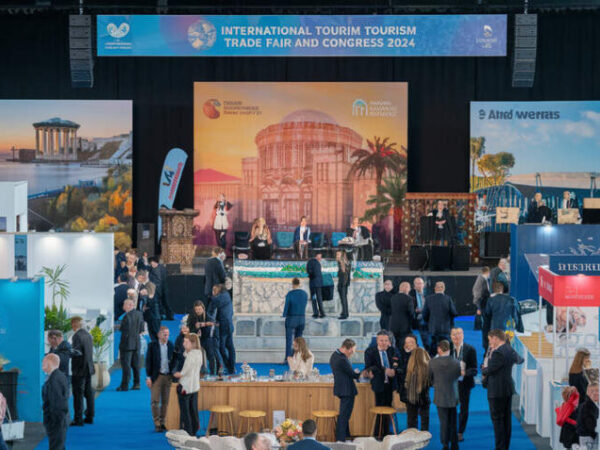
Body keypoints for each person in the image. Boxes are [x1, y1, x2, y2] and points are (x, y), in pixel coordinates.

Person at [482, 329, 525, 450]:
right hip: (507, 389)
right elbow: (520, 360)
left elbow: (490, 369)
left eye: (490, 340)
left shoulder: (498, 353)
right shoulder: (509, 349)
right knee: (506, 420)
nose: (489, 343)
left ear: (495, 338)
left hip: (496, 391)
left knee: (497, 421)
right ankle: (505, 446)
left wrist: (484, 369)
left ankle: (500, 447)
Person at [330, 339, 368, 442]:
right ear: (349, 349)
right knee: (344, 417)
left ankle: (346, 437)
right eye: (353, 351)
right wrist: (363, 374)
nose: (352, 353)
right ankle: (340, 440)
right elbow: (353, 374)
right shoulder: (342, 359)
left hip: (342, 389)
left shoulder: (334, 355)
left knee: (345, 416)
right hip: (346, 391)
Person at [364, 330, 400, 439]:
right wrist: (384, 369)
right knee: (379, 409)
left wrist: (394, 370)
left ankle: (386, 432)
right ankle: (378, 433)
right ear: (377, 341)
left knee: (388, 408)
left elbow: (398, 363)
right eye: (381, 340)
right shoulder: (370, 352)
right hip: (378, 385)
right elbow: (369, 366)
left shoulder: (393, 350)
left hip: (390, 385)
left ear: (389, 341)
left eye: (385, 340)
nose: (384, 343)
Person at [429, 340, 461, 450]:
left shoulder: (432, 362)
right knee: (453, 422)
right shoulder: (456, 362)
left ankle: (445, 444)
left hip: (440, 396)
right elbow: (458, 376)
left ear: (439, 349)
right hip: (453, 396)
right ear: (449, 349)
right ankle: (455, 444)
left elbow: (429, 378)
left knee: (443, 422)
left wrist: (435, 384)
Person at [450, 327, 478, 441]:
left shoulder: (470, 349)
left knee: (463, 408)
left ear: (463, 335)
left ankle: (460, 432)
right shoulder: (447, 349)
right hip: (450, 384)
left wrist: (464, 373)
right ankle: (451, 429)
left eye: (459, 334)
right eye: (454, 334)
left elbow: (474, 370)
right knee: (450, 408)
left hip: (464, 383)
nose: (456, 336)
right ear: (451, 336)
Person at [173, 333, 203, 437]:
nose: (183, 344)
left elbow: (183, 372)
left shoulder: (190, 356)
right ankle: (194, 430)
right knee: (193, 410)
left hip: (185, 387)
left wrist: (175, 374)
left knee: (185, 412)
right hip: (194, 387)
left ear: (193, 343)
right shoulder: (199, 353)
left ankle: (188, 432)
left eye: (186, 342)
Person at [145, 326, 174, 432]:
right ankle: (156, 423)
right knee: (155, 401)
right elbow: (148, 362)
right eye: (164, 333)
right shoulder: (152, 346)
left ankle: (162, 422)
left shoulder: (171, 345)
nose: (166, 336)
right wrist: (148, 377)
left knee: (165, 402)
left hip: (168, 377)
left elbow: (174, 361)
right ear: (159, 335)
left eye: (167, 334)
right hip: (156, 377)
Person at [422, 282, 457, 357]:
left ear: (435, 288)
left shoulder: (428, 299)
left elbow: (424, 314)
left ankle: (433, 362)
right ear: (444, 288)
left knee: (433, 349)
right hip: (445, 329)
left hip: (433, 328)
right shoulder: (448, 299)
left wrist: (430, 321)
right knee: (446, 348)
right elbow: (454, 313)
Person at [70, 316, 95, 426]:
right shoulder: (88, 335)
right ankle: (90, 416)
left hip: (79, 369)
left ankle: (78, 419)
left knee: (78, 394)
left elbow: (77, 353)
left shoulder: (77, 336)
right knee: (89, 393)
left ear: (74, 324)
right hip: (89, 368)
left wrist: (68, 352)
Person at [42, 354, 69, 450]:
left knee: (56, 446)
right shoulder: (60, 375)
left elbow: (57, 403)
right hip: (60, 420)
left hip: (57, 421)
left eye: (43, 363)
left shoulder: (54, 380)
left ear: (49, 363)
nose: (42, 366)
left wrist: (53, 422)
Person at [208, 284, 236, 375]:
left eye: (214, 290)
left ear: (219, 290)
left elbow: (210, 310)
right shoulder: (227, 295)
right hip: (229, 325)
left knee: (221, 347)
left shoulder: (217, 299)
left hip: (223, 326)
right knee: (230, 347)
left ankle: (228, 365)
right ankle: (232, 367)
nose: (213, 292)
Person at [118, 299, 145, 391]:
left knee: (126, 366)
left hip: (126, 344)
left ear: (129, 305)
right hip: (137, 343)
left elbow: (123, 329)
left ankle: (124, 385)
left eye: (124, 304)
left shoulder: (126, 316)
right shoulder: (139, 314)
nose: (123, 306)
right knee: (136, 365)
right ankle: (137, 383)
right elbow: (142, 329)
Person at [187, 301, 219, 375]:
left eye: (199, 309)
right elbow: (189, 329)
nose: (198, 311)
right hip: (196, 339)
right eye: (196, 309)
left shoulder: (207, 316)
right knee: (196, 356)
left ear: (203, 309)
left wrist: (204, 325)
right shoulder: (191, 317)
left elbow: (215, 324)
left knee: (211, 355)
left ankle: (212, 373)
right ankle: (197, 372)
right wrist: (196, 328)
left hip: (206, 338)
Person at [404, 347, 431, 431]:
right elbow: (431, 384)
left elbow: (406, 385)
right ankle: (424, 437)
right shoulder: (428, 370)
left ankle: (412, 437)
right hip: (424, 399)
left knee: (411, 422)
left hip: (411, 400)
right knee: (424, 422)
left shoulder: (409, 370)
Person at [283, 278, 308, 361]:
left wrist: (284, 315)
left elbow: (287, 306)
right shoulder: (304, 294)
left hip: (291, 318)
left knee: (289, 340)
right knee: (299, 341)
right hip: (302, 318)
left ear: (293, 284)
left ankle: (288, 359)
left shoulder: (290, 294)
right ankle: (297, 358)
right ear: (299, 284)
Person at [389, 282, 415, 353]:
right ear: (405, 288)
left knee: (395, 344)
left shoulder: (393, 298)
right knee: (403, 345)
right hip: (405, 326)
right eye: (409, 287)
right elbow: (411, 313)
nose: (409, 289)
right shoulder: (409, 298)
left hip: (393, 325)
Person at [149, 256, 173, 321]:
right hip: (164, 288)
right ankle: (169, 316)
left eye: (151, 263)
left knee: (158, 303)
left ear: (154, 262)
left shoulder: (155, 270)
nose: (151, 265)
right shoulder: (162, 267)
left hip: (158, 289)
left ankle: (159, 316)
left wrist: (156, 290)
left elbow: (157, 281)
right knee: (166, 303)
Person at [473, 267, 491, 350]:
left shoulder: (484, 279)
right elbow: (476, 292)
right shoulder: (480, 279)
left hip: (484, 303)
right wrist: (478, 306)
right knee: (484, 324)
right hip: (482, 304)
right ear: (487, 272)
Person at [410, 277, 430, 353]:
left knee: (427, 340)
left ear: (423, 285)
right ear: (414, 285)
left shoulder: (428, 294)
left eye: (420, 283)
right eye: (417, 284)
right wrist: (414, 310)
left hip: (427, 319)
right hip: (415, 318)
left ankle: (427, 353)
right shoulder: (410, 294)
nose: (419, 285)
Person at [577, 383, 599, 449]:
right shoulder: (587, 406)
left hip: (587, 436)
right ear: (588, 393)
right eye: (592, 391)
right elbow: (590, 425)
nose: (596, 393)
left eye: (597, 390)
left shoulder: (591, 404)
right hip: (588, 438)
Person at [306, 253, 325, 318]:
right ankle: (322, 313)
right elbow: (316, 273)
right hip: (317, 284)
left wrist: (311, 276)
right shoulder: (316, 263)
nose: (320, 258)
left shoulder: (310, 262)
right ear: (317, 256)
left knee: (314, 298)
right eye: (320, 256)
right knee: (319, 298)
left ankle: (316, 313)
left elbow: (308, 271)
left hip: (313, 283)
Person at [336, 250, 351, 320]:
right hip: (345, 283)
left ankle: (344, 313)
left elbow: (343, 273)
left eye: (338, 255)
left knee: (343, 299)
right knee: (344, 299)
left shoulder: (342, 262)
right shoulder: (347, 262)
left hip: (343, 283)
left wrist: (342, 284)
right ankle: (345, 312)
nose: (337, 256)